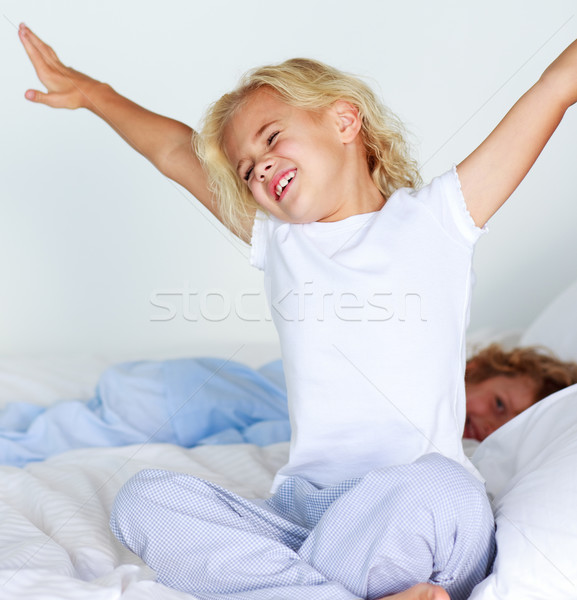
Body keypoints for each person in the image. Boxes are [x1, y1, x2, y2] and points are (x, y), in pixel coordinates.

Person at [17, 22, 577, 600]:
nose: (258, 165)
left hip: (411, 508)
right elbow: (171, 149)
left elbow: (555, 86)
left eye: (271, 137)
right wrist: (93, 95)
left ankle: (300, 588)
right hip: (307, 514)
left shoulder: (441, 218)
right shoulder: (279, 239)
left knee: (445, 489)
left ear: (343, 121)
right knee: (144, 500)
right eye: (244, 168)